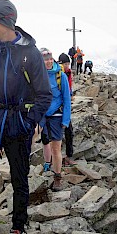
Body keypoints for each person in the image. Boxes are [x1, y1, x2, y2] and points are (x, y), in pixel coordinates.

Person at [0, 0, 52, 234]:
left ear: (6, 21)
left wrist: (28, 123)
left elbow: (44, 95)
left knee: (20, 176)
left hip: (17, 124)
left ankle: (19, 223)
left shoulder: (30, 53)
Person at [39, 48, 71, 191]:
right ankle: (46, 164)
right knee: (42, 140)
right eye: (46, 59)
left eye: (50, 58)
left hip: (56, 116)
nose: (49, 61)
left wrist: (66, 120)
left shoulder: (61, 75)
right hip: (42, 116)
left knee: (56, 147)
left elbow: (66, 99)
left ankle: (57, 177)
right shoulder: (38, 75)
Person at [58, 53, 77, 167]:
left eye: (68, 63)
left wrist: (70, 94)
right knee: (56, 135)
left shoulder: (68, 73)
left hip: (65, 107)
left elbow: (69, 87)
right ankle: (55, 158)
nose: (67, 66)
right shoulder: (57, 74)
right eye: (65, 63)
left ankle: (68, 156)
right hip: (57, 107)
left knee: (69, 131)